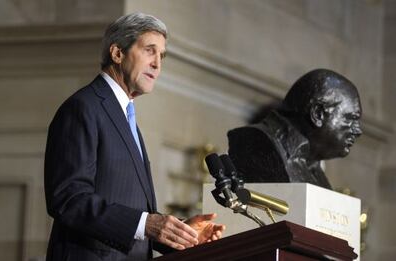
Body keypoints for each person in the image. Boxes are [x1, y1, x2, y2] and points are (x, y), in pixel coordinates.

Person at [44, 12, 225, 261]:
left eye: (161, 56)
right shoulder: (83, 108)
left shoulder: (125, 116)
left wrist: (178, 232)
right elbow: (68, 199)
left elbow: (131, 212)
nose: (157, 64)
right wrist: (147, 224)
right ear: (117, 53)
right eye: (149, 50)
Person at [227, 69, 363, 189]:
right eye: (350, 119)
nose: (358, 131)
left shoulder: (313, 164)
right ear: (318, 114)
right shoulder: (256, 143)